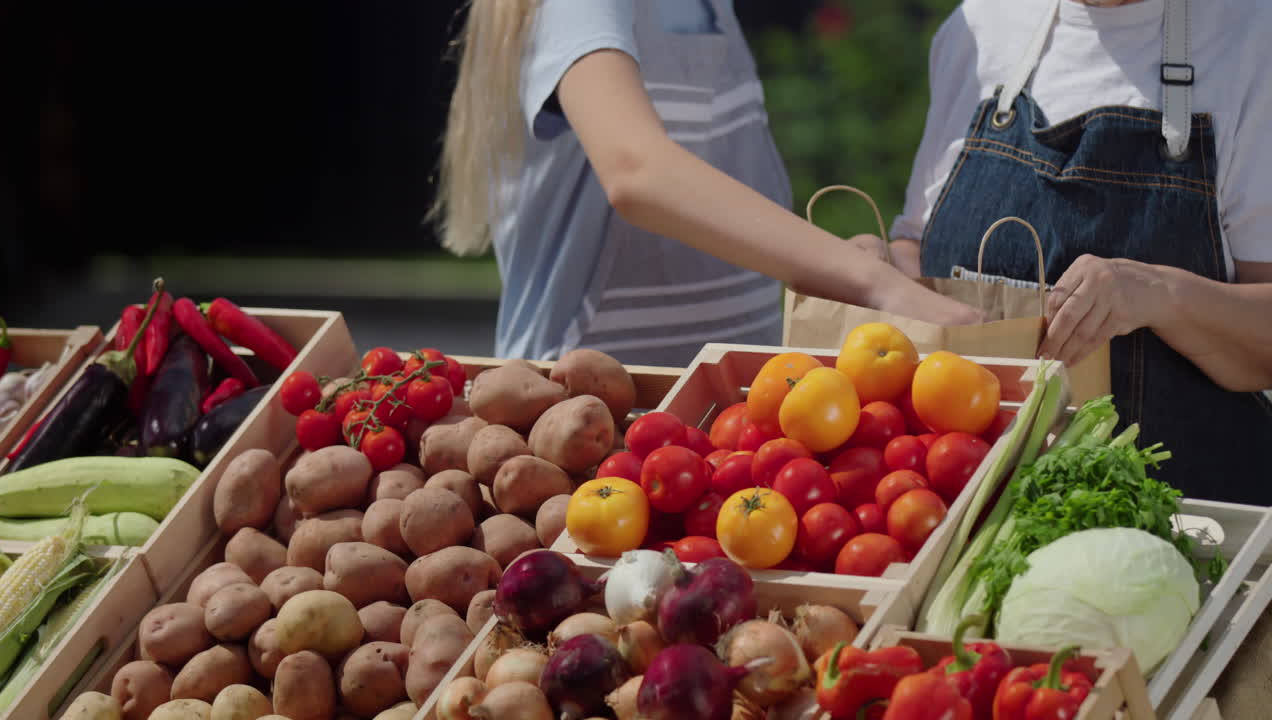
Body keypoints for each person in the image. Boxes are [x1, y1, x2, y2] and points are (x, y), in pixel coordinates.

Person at [429, 0, 981, 368]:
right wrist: (870, 283)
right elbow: (636, 172)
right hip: (592, 428)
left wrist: (837, 266)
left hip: (699, 425)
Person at [883, 0, 1272, 503]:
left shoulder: (1253, 38)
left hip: (1189, 530)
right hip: (968, 524)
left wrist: (1160, 294)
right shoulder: (980, 25)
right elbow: (919, 252)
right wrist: (877, 267)